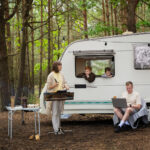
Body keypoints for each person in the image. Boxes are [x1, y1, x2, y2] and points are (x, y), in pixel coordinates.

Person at [47, 61, 69, 135]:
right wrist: (54, 85)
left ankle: (59, 128)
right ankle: (55, 129)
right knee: (55, 113)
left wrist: (66, 86)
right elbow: (48, 87)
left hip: (61, 95)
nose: (61, 67)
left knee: (59, 112)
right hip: (54, 96)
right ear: (56, 66)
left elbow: (65, 82)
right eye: (60, 66)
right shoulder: (51, 75)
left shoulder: (61, 74)